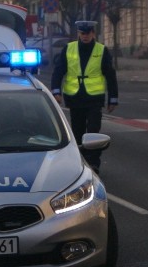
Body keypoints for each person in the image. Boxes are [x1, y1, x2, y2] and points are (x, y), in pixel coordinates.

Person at [50, 20, 118, 173]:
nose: (85, 36)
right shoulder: (69, 48)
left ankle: (94, 163)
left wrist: (113, 99)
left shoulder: (101, 50)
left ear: (93, 34)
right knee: (77, 132)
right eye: (82, 33)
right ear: (78, 34)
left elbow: (110, 75)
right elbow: (59, 71)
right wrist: (56, 91)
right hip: (75, 98)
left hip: (94, 98)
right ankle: (81, 162)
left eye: (88, 33)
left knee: (93, 132)